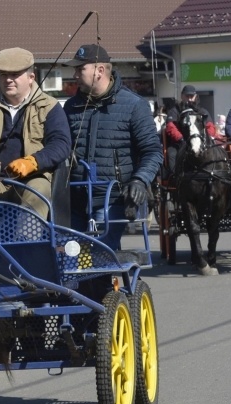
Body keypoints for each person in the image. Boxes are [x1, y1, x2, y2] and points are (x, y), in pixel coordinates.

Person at [63, 44, 162, 252]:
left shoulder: (134, 105)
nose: (75, 75)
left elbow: (152, 151)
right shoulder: (71, 107)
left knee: (98, 254)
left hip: (112, 200)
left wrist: (140, 180)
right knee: (70, 258)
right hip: (75, 200)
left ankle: (107, 283)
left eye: (80, 69)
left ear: (99, 71)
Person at [0, 47, 71, 219]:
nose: (8, 80)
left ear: (31, 77)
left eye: (15, 75)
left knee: (37, 191)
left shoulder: (50, 106)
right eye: (3, 75)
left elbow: (61, 144)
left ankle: (26, 243)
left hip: (34, 178)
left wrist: (33, 162)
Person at [164, 85, 221, 175]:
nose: (190, 99)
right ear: (182, 96)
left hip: (201, 142)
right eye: (187, 96)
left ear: (195, 97)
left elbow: (210, 127)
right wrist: (181, 139)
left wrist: (204, 138)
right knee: (171, 153)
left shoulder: (203, 111)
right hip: (180, 143)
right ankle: (175, 177)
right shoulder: (174, 111)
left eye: (192, 96)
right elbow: (171, 127)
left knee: (217, 151)